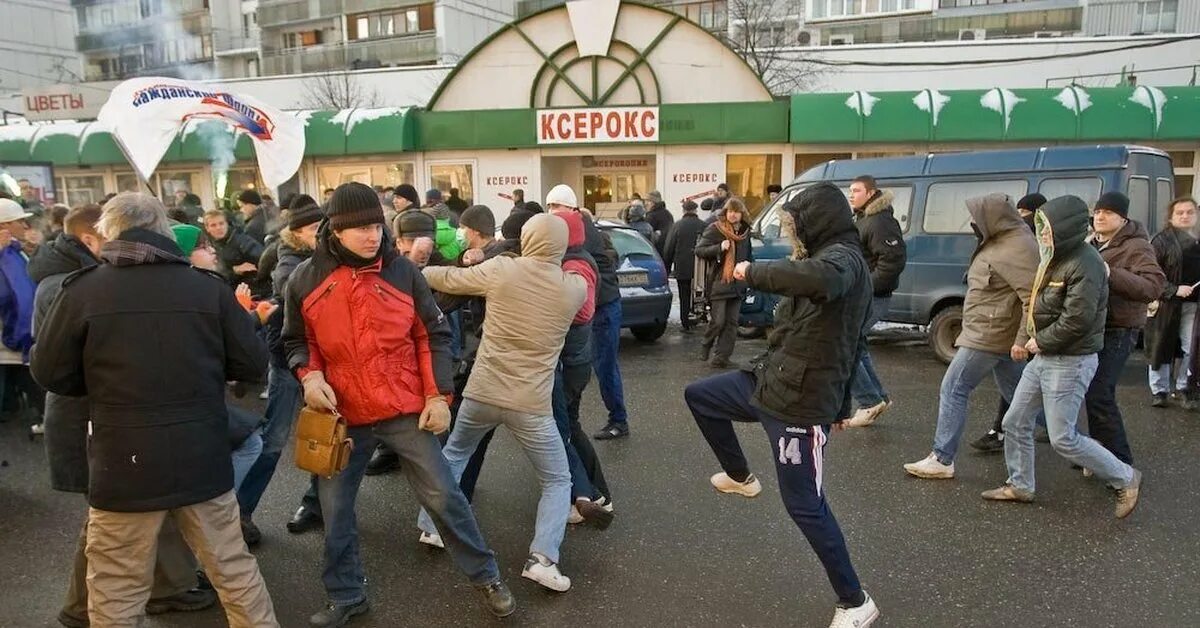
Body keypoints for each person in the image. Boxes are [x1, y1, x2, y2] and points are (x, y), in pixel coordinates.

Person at [30, 192, 278, 626]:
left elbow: (51, 373)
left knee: (116, 586)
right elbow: (252, 362)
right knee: (232, 568)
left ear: (109, 233)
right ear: (163, 231)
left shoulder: (83, 292)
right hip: (201, 452)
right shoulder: (207, 289)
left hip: (122, 461)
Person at [283, 183, 513, 624]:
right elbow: (296, 341)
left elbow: (432, 335)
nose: (372, 236)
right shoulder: (306, 279)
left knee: (445, 496)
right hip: (342, 415)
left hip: (404, 408)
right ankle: (347, 595)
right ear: (336, 229)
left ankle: (486, 576)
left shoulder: (402, 273)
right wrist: (308, 375)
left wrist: (438, 396)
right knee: (334, 512)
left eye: (376, 226)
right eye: (360, 229)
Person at [684, 183, 880, 628]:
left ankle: (855, 601)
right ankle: (740, 476)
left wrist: (753, 271)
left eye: (794, 226)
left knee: (805, 506)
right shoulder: (828, 255)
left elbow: (827, 291)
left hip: (801, 405)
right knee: (700, 397)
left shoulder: (843, 261)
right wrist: (845, 404)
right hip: (772, 382)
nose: (792, 235)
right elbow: (851, 339)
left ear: (816, 222)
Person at [416, 212, 586, 592]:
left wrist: (416, 268)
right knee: (557, 479)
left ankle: (430, 528)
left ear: (525, 239)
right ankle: (542, 559)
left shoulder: (502, 270)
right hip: (532, 403)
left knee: (455, 456)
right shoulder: (573, 288)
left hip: (482, 391)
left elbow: (448, 279)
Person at [985, 195, 1143, 519]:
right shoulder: (1053, 257)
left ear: (1065, 230)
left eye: (1046, 229)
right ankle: (1021, 485)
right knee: (1014, 421)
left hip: (1069, 360)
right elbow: (1038, 304)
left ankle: (1125, 477)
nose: (1041, 235)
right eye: (1040, 228)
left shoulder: (1086, 263)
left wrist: (1038, 342)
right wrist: (1026, 339)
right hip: (1044, 357)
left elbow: (1078, 319)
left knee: (1062, 439)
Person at [902, 194, 1038, 479]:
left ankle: (942, 458)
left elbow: (1032, 298)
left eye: (977, 216)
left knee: (954, 388)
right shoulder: (1001, 239)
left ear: (993, 217)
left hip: (990, 335)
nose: (973, 222)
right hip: (991, 331)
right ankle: (1077, 444)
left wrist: (1020, 339)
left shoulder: (1017, 246)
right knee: (1022, 399)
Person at [237, 201, 325, 545]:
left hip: (320, 360)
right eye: (315, 230)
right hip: (288, 360)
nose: (323, 234)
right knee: (273, 439)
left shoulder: (321, 255)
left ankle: (316, 503)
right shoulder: (290, 260)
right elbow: (296, 293)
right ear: (298, 233)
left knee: (325, 433)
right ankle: (241, 513)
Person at [1083, 192, 1163, 465]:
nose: (1100, 217)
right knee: (1092, 392)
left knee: (1099, 392)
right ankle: (1098, 453)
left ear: (1123, 217)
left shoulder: (1137, 246)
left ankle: (1120, 463)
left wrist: (1110, 273)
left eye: (1108, 212)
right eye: (1097, 212)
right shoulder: (1091, 243)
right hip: (1095, 327)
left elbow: (1153, 286)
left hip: (1120, 328)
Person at [545, 185, 629, 440]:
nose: (552, 212)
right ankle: (569, 421)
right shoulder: (576, 225)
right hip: (594, 305)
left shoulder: (579, 229)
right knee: (579, 364)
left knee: (604, 365)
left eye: (557, 206)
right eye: (549, 206)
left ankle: (618, 420)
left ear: (571, 209)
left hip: (602, 307)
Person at [549, 207, 614, 527]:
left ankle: (585, 495)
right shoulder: (577, 258)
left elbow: (583, 310)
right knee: (570, 428)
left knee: (563, 431)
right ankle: (598, 494)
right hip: (574, 362)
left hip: (569, 364)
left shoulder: (575, 264)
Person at [971, 192, 1048, 451]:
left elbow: (1030, 295)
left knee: (1021, 392)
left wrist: (1021, 339)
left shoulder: (1022, 239)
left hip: (1021, 326)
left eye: (1025, 212)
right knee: (1017, 389)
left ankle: (1077, 439)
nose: (1022, 216)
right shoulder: (1016, 235)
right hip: (1019, 328)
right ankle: (1005, 431)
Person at [843, 175, 906, 428]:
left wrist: (864, 288)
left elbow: (892, 262)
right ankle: (878, 398)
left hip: (873, 296)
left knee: (844, 344)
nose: (851, 194)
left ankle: (869, 401)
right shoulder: (864, 218)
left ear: (871, 193)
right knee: (857, 344)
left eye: (856, 190)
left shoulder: (881, 221)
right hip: (864, 294)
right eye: (850, 190)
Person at [1146, 196, 1200, 408]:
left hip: (1194, 306)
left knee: (1193, 347)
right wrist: (1174, 289)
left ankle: (1185, 387)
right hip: (1166, 304)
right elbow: (1151, 274)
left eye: (1190, 212)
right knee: (1161, 346)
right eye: (1180, 213)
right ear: (1171, 216)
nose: (1185, 216)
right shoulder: (1160, 241)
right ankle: (1159, 391)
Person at [0, 198, 43, 436]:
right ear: (4, 225)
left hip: (15, 331)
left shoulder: (15, 249)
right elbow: (18, 295)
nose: (25, 227)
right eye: (19, 222)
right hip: (12, 330)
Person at [694, 197, 752, 369]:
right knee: (718, 321)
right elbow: (699, 250)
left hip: (739, 283)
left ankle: (722, 357)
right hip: (720, 282)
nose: (733, 215)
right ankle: (706, 343)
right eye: (730, 211)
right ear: (725, 212)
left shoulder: (745, 232)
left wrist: (751, 273)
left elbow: (749, 256)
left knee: (732, 323)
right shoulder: (716, 229)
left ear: (742, 214)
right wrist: (719, 247)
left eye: (737, 212)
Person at [663, 200, 707, 332]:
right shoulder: (703, 225)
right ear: (695, 210)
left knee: (684, 294)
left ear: (684, 211)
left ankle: (685, 321)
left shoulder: (677, 226)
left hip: (682, 266)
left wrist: (667, 266)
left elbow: (669, 248)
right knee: (701, 292)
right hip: (701, 267)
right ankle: (700, 315)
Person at [204, 209, 268, 296]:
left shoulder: (241, 240)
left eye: (221, 223)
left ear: (227, 224)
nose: (218, 228)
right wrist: (234, 270)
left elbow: (263, 257)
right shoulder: (207, 245)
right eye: (213, 225)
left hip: (253, 289)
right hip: (228, 290)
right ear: (207, 228)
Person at [645, 190, 674, 255]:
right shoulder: (668, 214)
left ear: (653, 202)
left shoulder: (652, 216)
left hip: (655, 252)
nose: (646, 203)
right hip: (667, 251)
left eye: (648, 201)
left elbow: (647, 235)